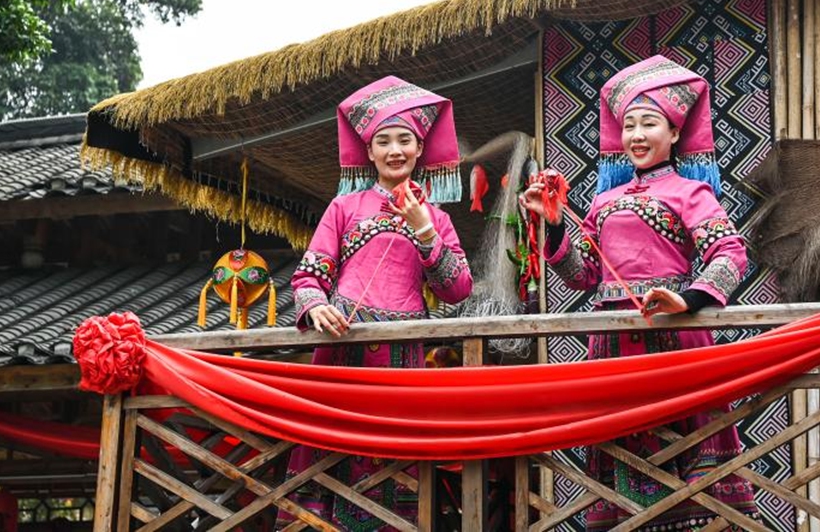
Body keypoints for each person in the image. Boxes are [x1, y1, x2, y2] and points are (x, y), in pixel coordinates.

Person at [521, 54, 758, 530]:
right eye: (628, 125)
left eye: (649, 123)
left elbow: (731, 255)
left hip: (674, 343)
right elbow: (584, 274)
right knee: (621, 473)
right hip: (611, 351)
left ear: (673, 134)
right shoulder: (604, 201)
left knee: (690, 475)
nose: (636, 135)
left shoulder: (692, 192)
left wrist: (687, 299)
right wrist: (552, 225)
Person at [284, 75, 473, 530]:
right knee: (329, 456)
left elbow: (459, 288)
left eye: (404, 140)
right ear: (368, 152)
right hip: (341, 349)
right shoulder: (343, 209)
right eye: (383, 141)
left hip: (402, 355)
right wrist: (315, 306)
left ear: (419, 148)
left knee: (393, 466)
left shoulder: (439, 217)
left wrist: (425, 229)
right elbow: (310, 274)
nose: (394, 151)